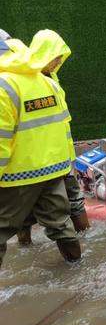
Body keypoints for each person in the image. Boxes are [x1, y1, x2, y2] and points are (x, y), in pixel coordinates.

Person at [0, 30, 81, 265]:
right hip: (53, 171)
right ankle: (77, 271)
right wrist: (68, 165)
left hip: (17, 176)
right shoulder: (48, 82)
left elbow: (1, 140)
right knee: (60, 225)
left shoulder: (3, 86)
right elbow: (63, 127)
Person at [16, 30, 89, 245]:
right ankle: (84, 243)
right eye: (56, 57)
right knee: (70, 201)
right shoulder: (35, 84)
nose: (59, 61)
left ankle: (26, 247)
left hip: (55, 156)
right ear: (45, 54)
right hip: (47, 159)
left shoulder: (47, 80)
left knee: (30, 208)